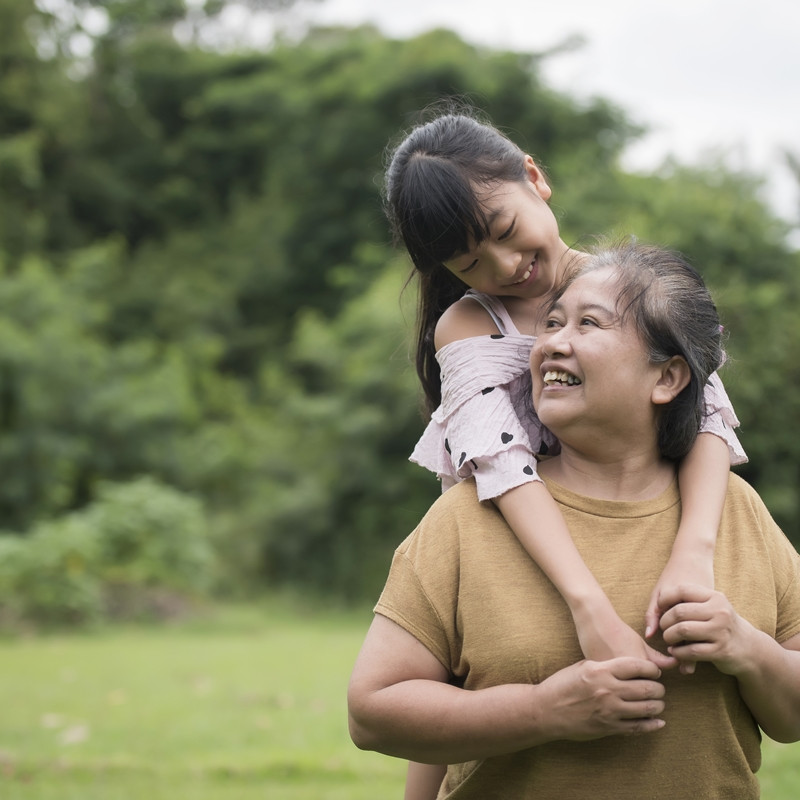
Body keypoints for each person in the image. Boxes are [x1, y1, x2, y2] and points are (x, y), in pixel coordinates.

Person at [347, 241, 800, 799]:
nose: (553, 343)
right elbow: (371, 713)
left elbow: (793, 720)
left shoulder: (736, 510)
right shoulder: (468, 516)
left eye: (589, 324)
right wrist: (544, 711)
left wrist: (748, 648)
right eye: (552, 323)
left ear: (668, 378)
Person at [383, 109, 747, 797]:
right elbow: (504, 466)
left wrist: (692, 552)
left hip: (630, 503)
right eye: (469, 262)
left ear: (534, 178)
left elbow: (708, 420)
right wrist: (588, 606)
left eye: (505, 234)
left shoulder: (632, 289)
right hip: (510, 521)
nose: (505, 267)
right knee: (450, 670)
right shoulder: (468, 323)